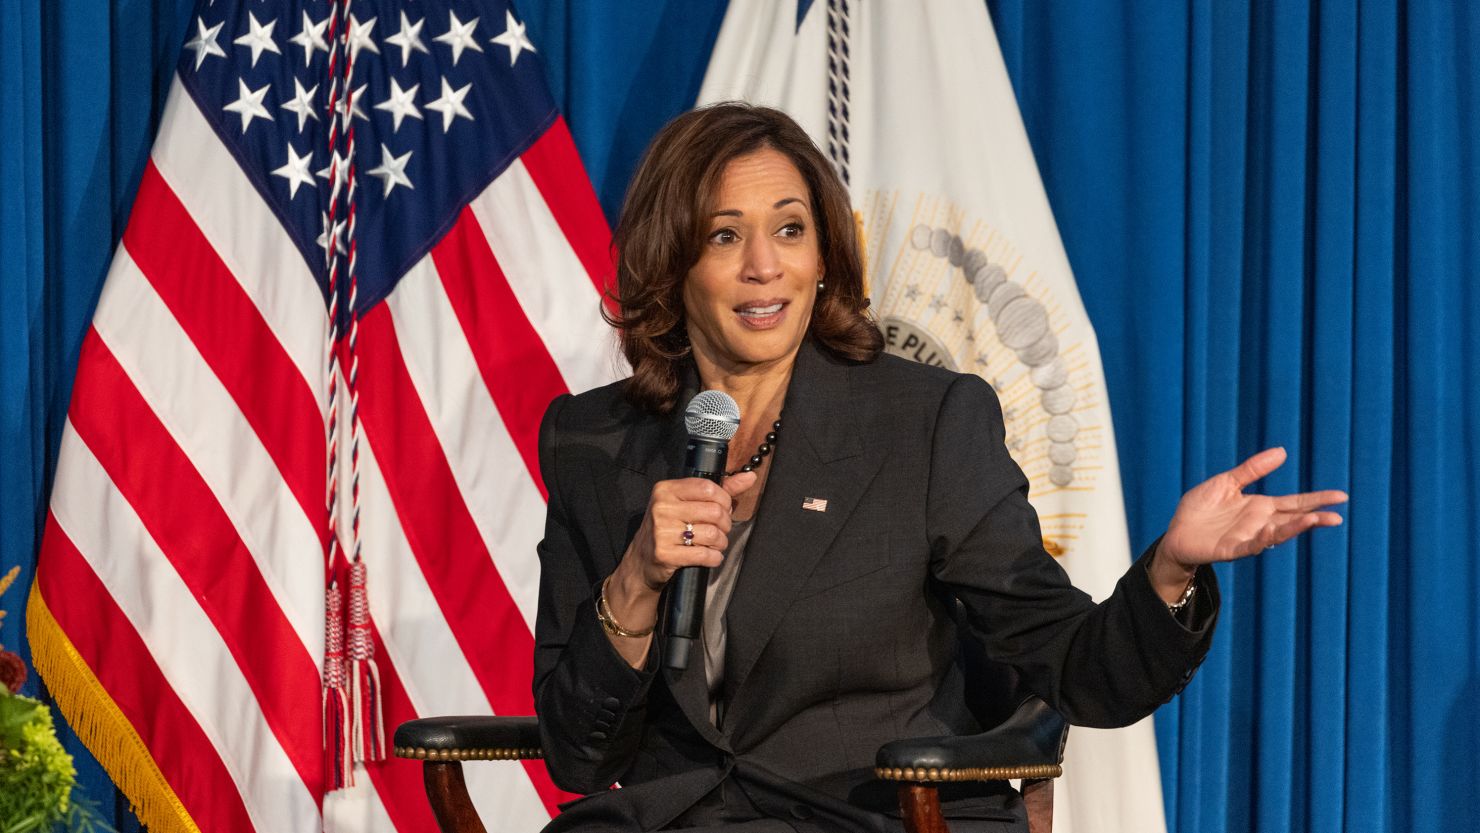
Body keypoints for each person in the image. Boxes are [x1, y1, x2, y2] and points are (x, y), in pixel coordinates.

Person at [531, 103, 1346, 833]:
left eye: (789, 229)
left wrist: (1170, 571)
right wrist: (637, 580)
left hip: (860, 814)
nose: (762, 266)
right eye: (722, 235)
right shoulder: (591, 442)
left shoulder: (922, 420)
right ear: (669, 264)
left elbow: (1069, 663)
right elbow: (575, 754)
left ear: (823, 256)